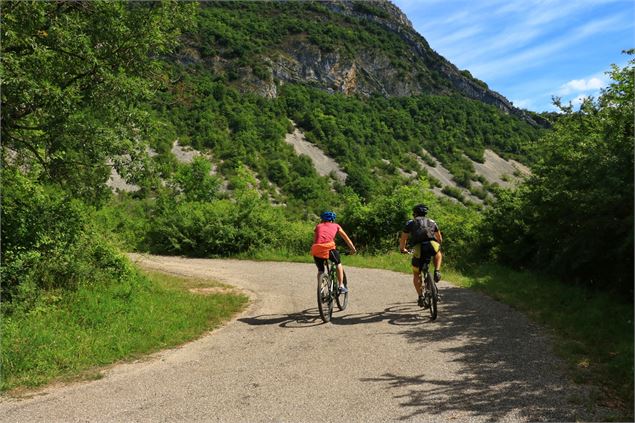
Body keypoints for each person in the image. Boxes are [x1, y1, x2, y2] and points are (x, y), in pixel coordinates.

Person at [399, 204, 443, 307]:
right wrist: (438, 245)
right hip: (432, 245)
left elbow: (403, 238)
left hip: (419, 248)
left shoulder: (410, 223)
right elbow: (439, 238)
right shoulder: (432, 222)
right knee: (438, 252)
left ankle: (420, 297)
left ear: (415, 213)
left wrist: (403, 249)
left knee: (416, 273)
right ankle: (437, 270)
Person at [311, 211, 357, 293]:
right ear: (332, 219)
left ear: (322, 219)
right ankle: (341, 286)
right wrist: (353, 249)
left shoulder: (318, 226)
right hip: (329, 248)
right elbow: (346, 238)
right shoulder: (336, 226)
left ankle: (320, 288)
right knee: (338, 263)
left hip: (316, 249)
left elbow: (315, 240)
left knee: (320, 270)